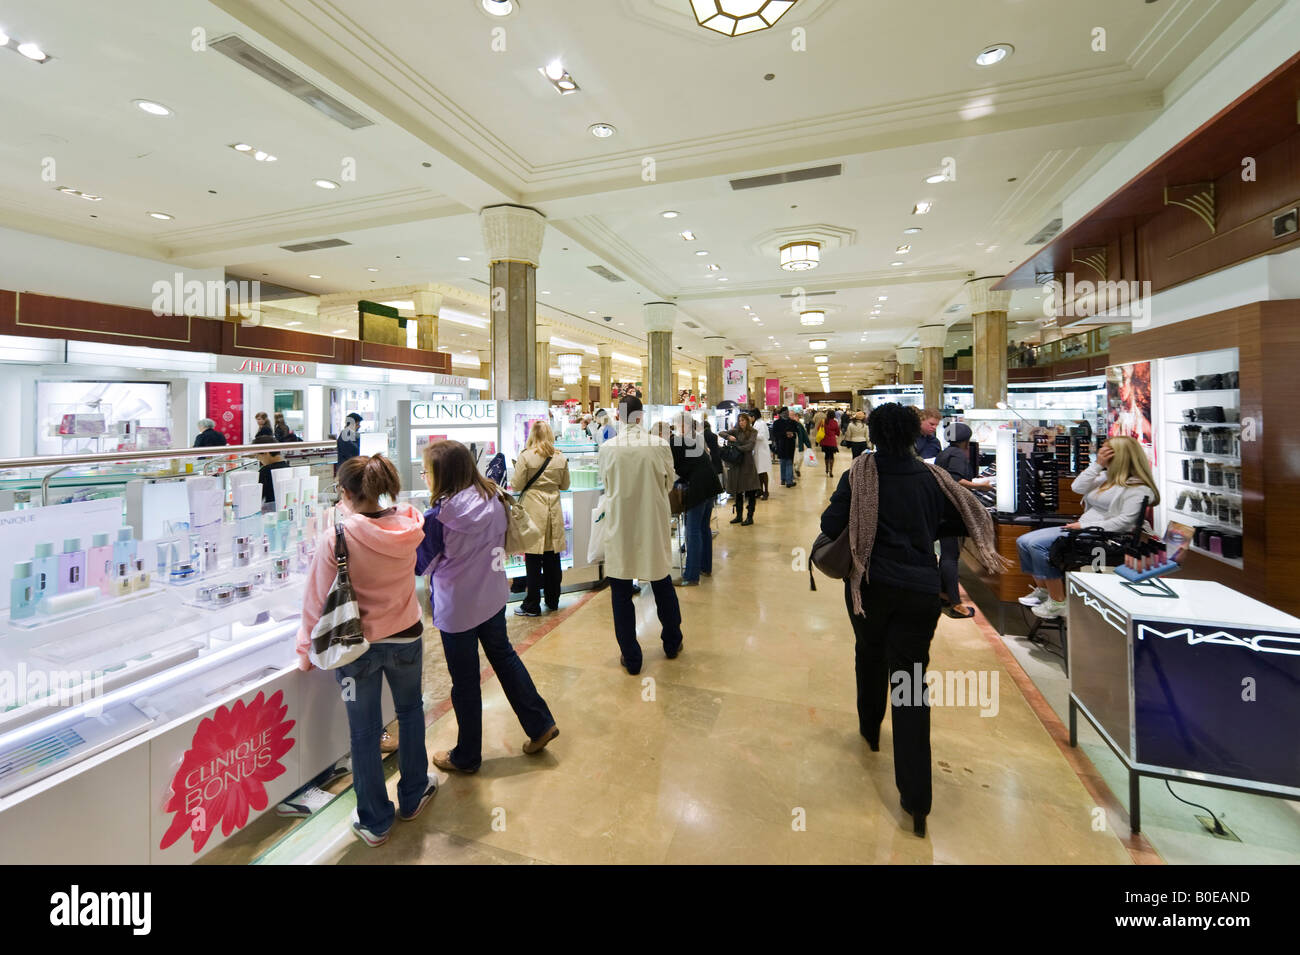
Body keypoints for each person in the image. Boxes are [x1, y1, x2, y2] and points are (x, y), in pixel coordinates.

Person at [820, 403, 1005, 837]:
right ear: (911, 435)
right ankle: (916, 796)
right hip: (920, 591)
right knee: (910, 680)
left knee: (868, 654)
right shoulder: (932, 478)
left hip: (870, 588)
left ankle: (869, 729)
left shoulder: (860, 476)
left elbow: (830, 524)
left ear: (874, 434)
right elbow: (956, 520)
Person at [295, 454, 434, 847]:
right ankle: (414, 793)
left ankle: (374, 820)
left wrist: (306, 650)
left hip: (357, 647)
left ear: (344, 493)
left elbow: (316, 601)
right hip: (407, 635)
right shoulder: (409, 527)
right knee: (410, 713)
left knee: (365, 731)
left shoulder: (337, 537)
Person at [417, 440, 559, 772]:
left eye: (427, 471)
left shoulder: (438, 517)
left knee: (465, 680)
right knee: (505, 659)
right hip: (493, 597)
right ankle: (540, 724)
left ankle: (467, 754)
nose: (424, 477)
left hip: (458, 609)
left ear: (441, 474)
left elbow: (421, 565)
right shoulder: (494, 497)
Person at [1018, 435, 1158, 619]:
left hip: (1102, 535)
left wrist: (1084, 525)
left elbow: (1124, 522)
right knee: (1023, 541)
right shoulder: (1106, 477)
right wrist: (1097, 465)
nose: (1101, 455)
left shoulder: (1138, 488)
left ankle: (1058, 601)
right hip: (1084, 528)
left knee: (1037, 545)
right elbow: (1077, 487)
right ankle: (1043, 592)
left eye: (1106, 453)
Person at [597, 395, 683, 674]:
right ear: (641, 416)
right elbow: (670, 481)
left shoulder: (608, 448)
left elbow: (606, 483)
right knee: (661, 582)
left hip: (621, 524)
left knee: (621, 592)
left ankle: (631, 657)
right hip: (652, 522)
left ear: (619, 417)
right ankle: (672, 643)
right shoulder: (658, 445)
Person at [933, 423, 993, 619]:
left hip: (941, 507)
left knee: (946, 554)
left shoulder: (944, 453)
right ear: (966, 440)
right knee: (951, 556)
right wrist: (980, 487)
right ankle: (956, 604)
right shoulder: (958, 455)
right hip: (952, 510)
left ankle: (943, 594)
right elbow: (955, 480)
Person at [512, 421, 571, 617]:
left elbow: (517, 485)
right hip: (553, 507)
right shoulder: (560, 457)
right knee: (553, 557)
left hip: (533, 509)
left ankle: (532, 604)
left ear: (532, 435)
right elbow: (565, 485)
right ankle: (553, 600)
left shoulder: (526, 456)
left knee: (533, 559)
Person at [671, 416, 722, 586]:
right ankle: (705, 567)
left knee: (692, 530)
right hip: (711, 484)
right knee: (703, 528)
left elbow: (670, 471)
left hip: (699, 487)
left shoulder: (672, 445)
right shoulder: (682, 442)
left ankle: (691, 576)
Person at [722, 412, 761, 526]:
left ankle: (750, 517)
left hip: (748, 465)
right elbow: (721, 433)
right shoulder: (736, 431)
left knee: (750, 491)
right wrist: (729, 437)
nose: (741, 423)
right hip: (737, 465)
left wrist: (736, 447)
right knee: (738, 491)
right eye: (739, 421)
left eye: (743, 420)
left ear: (747, 421)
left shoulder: (753, 432)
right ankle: (739, 516)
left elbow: (750, 446)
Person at [252, 434, 290, 505]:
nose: (257, 458)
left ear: (266, 453)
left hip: (270, 513)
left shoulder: (265, 472)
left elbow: (255, 500)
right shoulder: (288, 468)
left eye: (257, 455)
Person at [771, 407, 800, 487]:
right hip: (785, 444)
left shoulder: (778, 423)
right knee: (788, 462)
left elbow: (796, 432)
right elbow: (775, 434)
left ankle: (784, 479)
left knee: (784, 462)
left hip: (784, 444)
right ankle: (789, 481)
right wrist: (787, 434)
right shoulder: (791, 422)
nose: (786, 414)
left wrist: (792, 434)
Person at [751, 410, 773, 500]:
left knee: (763, 472)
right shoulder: (757, 423)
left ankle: (766, 491)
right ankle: (760, 490)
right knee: (759, 472)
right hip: (758, 450)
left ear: (754, 416)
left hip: (762, 451)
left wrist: (751, 434)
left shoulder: (760, 423)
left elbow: (762, 436)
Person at [820, 409, 840, 476]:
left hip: (824, 441)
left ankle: (826, 469)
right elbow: (837, 432)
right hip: (832, 442)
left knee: (826, 455)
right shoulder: (835, 422)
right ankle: (831, 471)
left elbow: (818, 429)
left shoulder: (823, 421)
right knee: (831, 456)